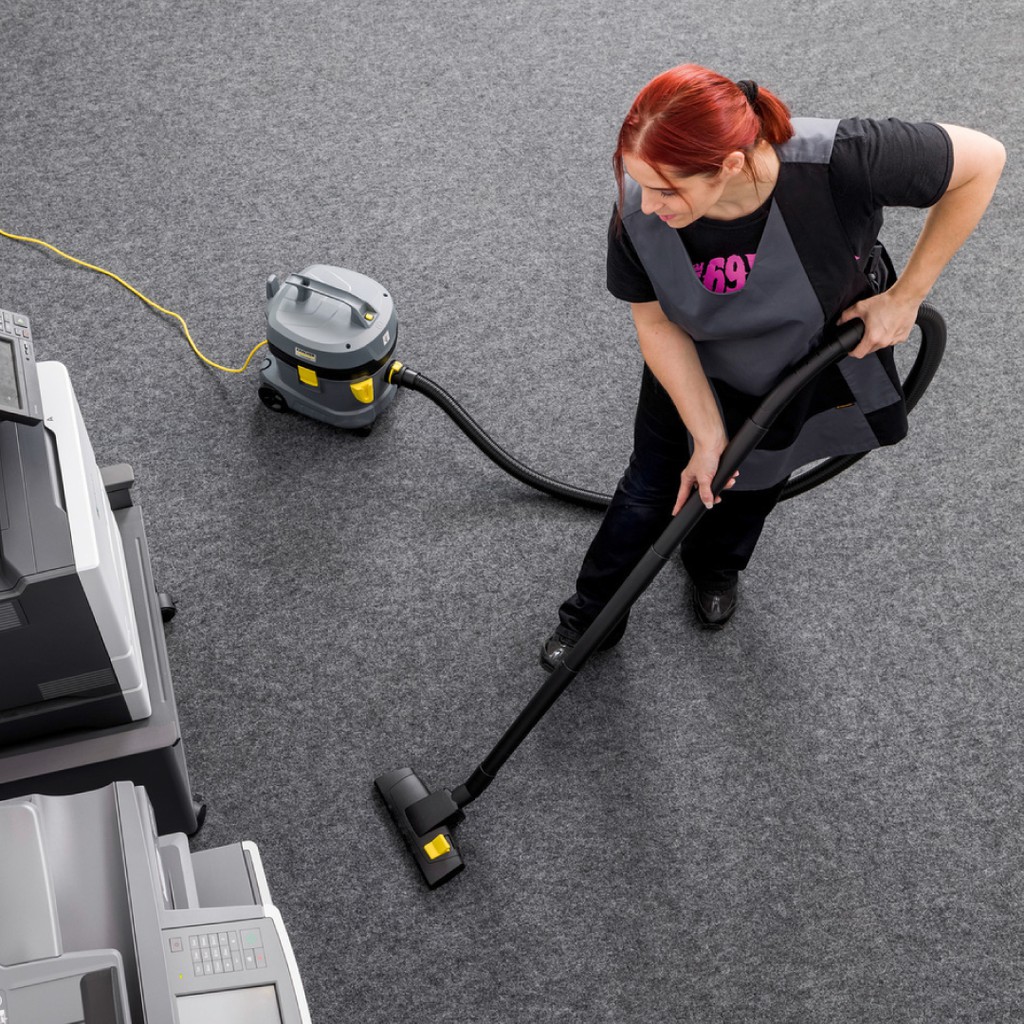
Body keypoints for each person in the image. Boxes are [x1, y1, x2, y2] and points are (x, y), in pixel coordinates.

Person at [541, 63, 1005, 671]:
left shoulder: (841, 161)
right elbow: (656, 325)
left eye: (667, 190)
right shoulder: (639, 210)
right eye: (640, 183)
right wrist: (707, 433)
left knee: (756, 480)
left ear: (730, 165)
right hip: (694, 361)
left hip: (802, 361)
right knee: (649, 487)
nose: (648, 205)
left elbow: (984, 159)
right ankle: (590, 617)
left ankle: (715, 565)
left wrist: (906, 297)